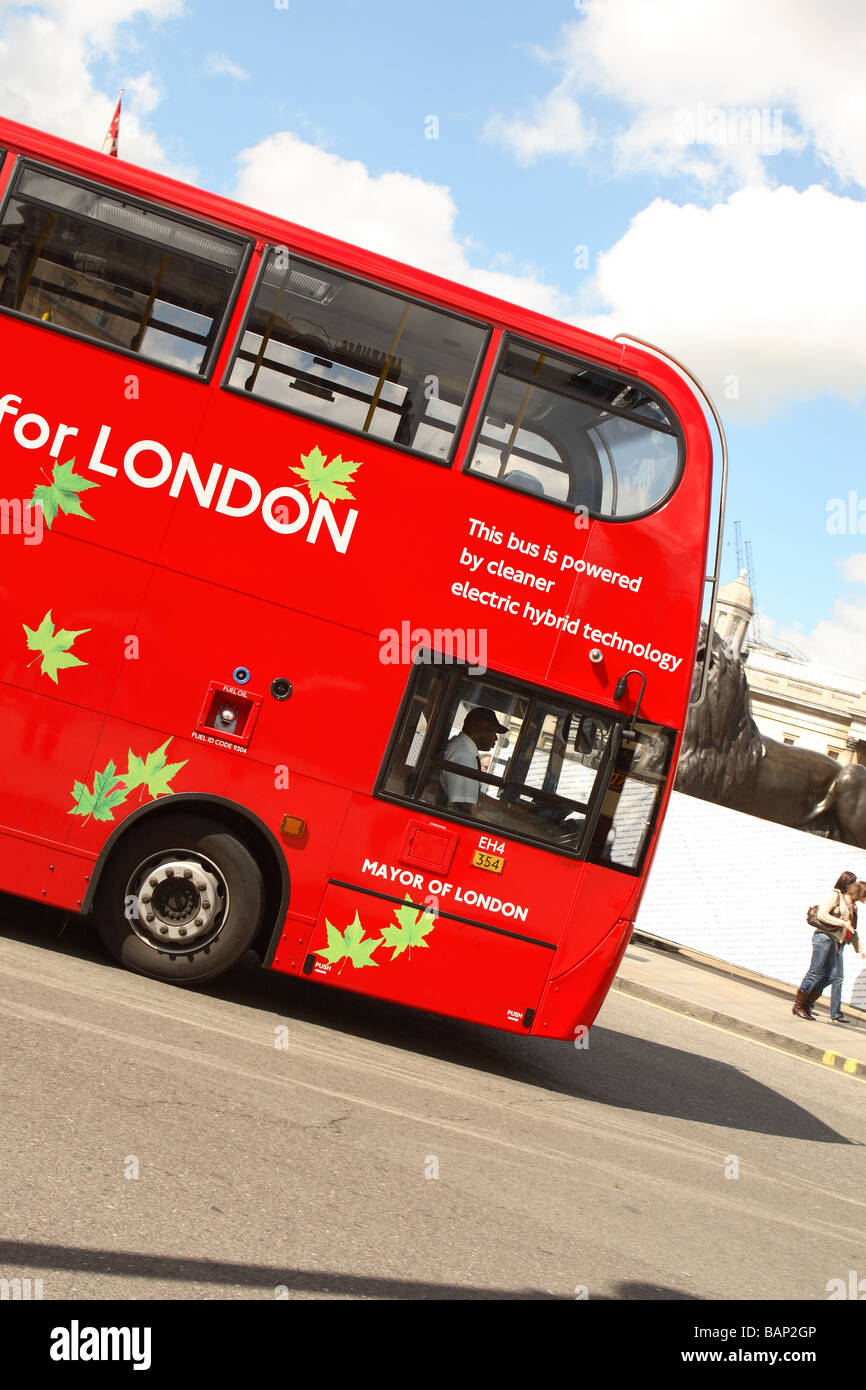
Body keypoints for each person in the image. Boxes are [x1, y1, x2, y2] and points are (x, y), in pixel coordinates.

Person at [792, 871, 858, 1021]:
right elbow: (822, 915)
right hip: (822, 937)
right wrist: (842, 923)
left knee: (832, 976)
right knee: (815, 972)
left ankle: (807, 1004)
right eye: (853, 882)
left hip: (833, 939)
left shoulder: (843, 898)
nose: (855, 885)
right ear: (847, 883)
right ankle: (799, 1005)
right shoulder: (834, 895)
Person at [439, 706, 507, 816]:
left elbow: (474, 795)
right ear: (478, 729)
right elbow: (466, 807)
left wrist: (507, 808)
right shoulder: (463, 755)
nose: (495, 738)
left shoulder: (462, 747)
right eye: (492, 732)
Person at [828, 879, 866, 1023]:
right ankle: (834, 1012)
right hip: (835, 942)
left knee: (830, 976)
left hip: (841, 943)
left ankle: (815, 1006)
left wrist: (859, 948)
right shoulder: (845, 903)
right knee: (832, 977)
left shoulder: (853, 907)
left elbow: (853, 930)